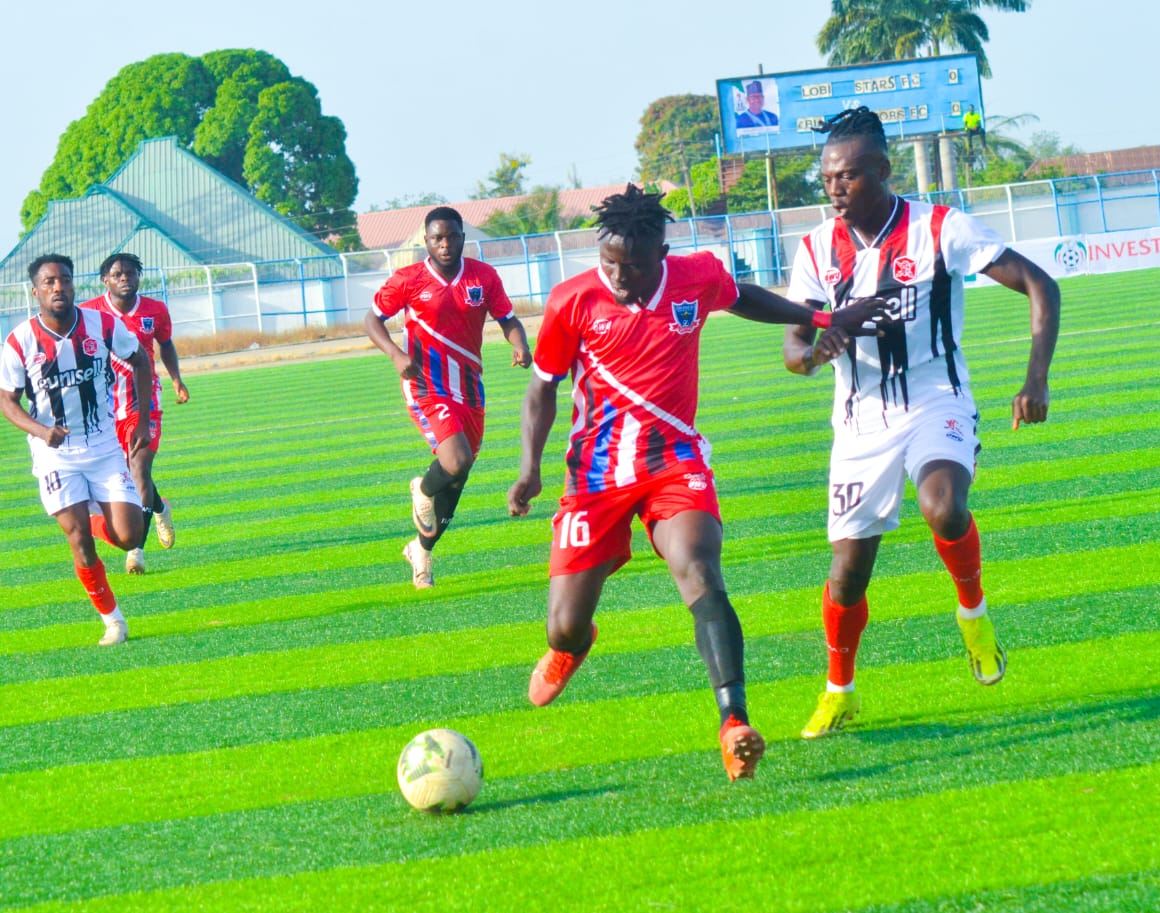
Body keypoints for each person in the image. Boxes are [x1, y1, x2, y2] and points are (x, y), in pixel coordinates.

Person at [506, 184, 886, 781]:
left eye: (632, 265)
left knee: (701, 570)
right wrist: (529, 466)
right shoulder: (570, 301)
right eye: (608, 262)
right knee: (564, 623)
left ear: (662, 254)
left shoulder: (696, 276)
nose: (619, 276)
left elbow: (745, 298)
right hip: (595, 476)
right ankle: (570, 647)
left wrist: (821, 318)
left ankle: (734, 721)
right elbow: (542, 389)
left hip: (674, 462)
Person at [783, 107, 1060, 739]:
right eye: (827, 179)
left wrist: (1035, 377)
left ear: (881, 171)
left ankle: (974, 616)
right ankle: (840, 691)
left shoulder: (942, 228)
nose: (835, 190)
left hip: (937, 399)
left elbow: (1042, 285)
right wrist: (814, 353)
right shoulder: (814, 248)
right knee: (848, 576)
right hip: (859, 423)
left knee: (944, 507)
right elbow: (794, 348)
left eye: (848, 177)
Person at [366, 206, 532, 588]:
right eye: (437, 238)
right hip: (426, 385)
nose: (445, 244)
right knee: (454, 461)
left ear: (462, 237)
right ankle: (421, 488)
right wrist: (396, 355)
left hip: (470, 389)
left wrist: (520, 345)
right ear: (426, 241)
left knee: (458, 478)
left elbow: (507, 319)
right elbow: (372, 319)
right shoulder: (408, 280)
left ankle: (421, 550)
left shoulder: (483, 276)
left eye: (452, 236)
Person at [0, 254, 155, 646]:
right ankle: (113, 622)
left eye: (65, 280)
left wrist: (138, 419)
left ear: (74, 286)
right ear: (35, 291)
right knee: (79, 541)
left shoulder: (102, 324)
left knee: (129, 536)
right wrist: (40, 430)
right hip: (55, 455)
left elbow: (140, 360)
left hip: (102, 445)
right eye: (49, 282)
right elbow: (7, 400)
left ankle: (91, 510)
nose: (58, 288)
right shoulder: (20, 341)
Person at [83, 253, 188, 574]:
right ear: (106, 280)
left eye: (130, 273)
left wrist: (176, 380)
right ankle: (159, 506)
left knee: (138, 470)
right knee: (126, 475)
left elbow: (165, 345)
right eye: (117, 274)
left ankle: (136, 553)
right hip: (103, 409)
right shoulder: (89, 312)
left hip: (145, 402)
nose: (125, 278)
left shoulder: (155, 310)